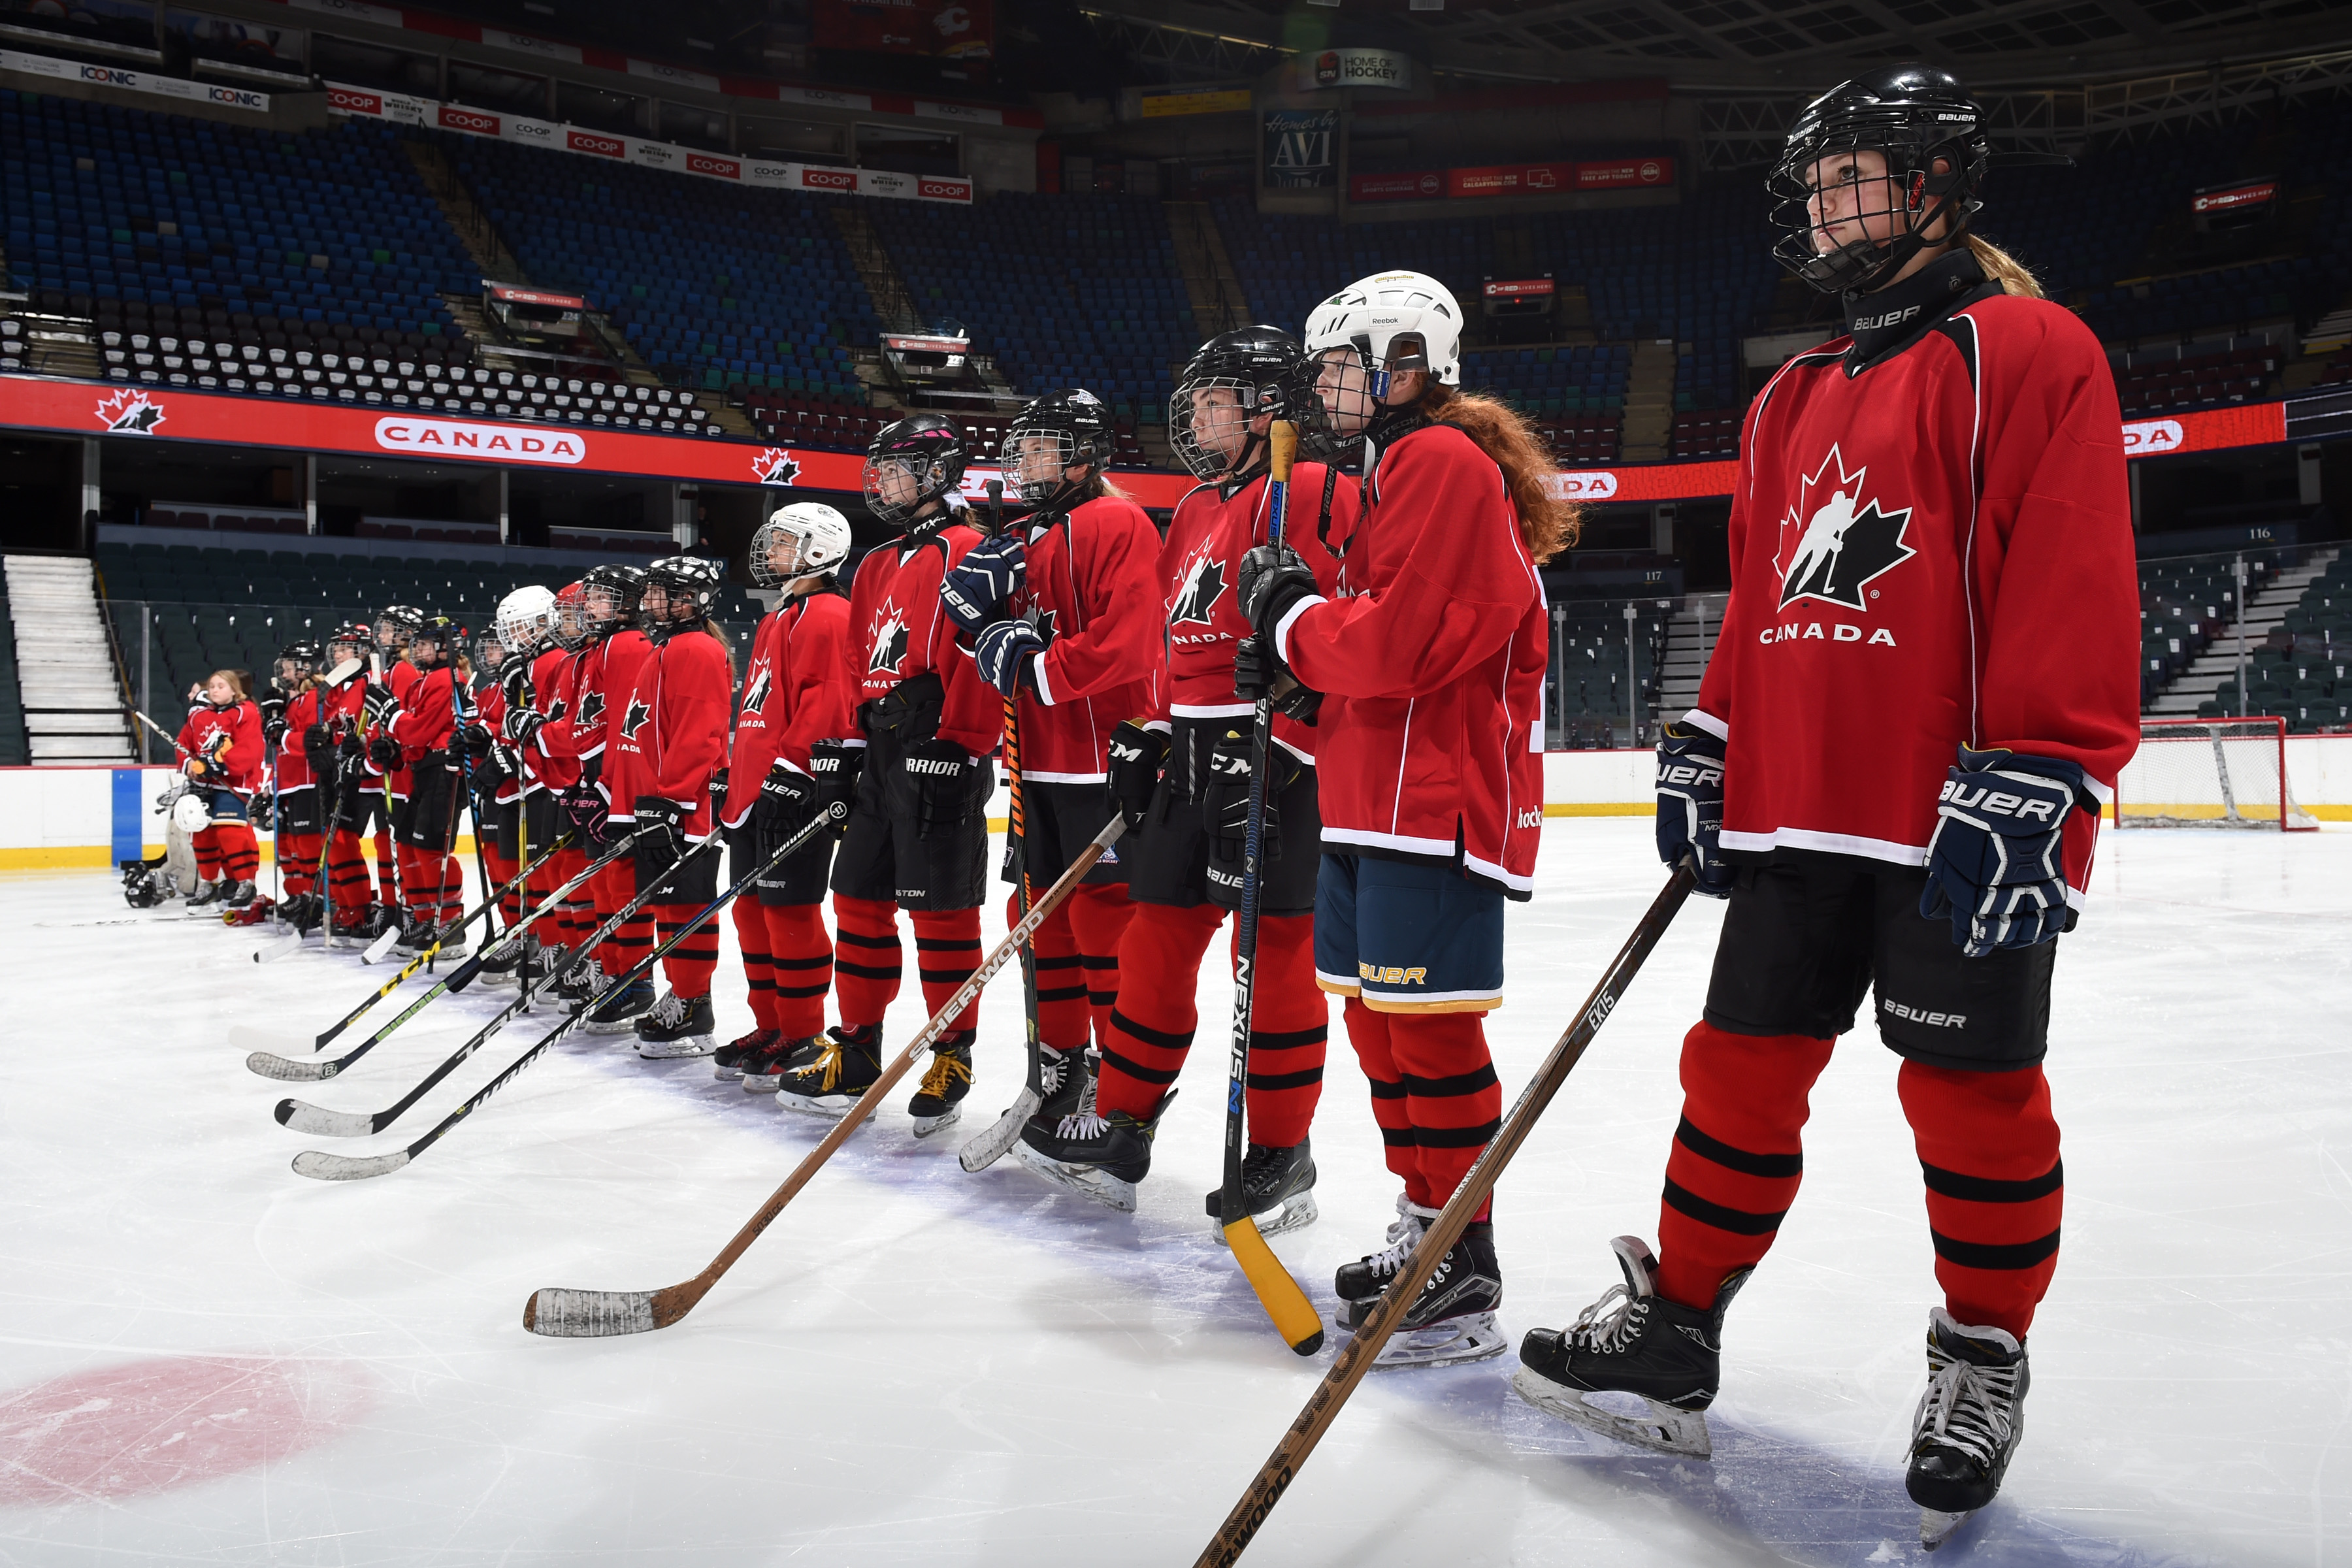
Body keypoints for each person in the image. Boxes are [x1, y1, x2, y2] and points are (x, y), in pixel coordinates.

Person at [1506, 67, 2138, 1548]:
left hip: (1959, 806)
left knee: (1972, 1098)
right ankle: (1674, 1330)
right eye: (1820, 179)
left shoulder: (2027, 346)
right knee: (1731, 1072)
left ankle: (1981, 1352)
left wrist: (2047, 763)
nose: (1831, 202)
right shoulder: (1793, 390)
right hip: (1801, 809)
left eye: (1861, 172)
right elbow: (1762, 590)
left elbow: (2067, 560)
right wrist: (1711, 733)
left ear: (1936, 185)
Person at [1238, 270, 1569, 1365]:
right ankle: (1428, 1223)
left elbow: (1398, 644)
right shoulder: (1398, 468)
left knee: (1427, 1034)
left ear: (1405, 363)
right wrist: (1306, 676)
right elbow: (1375, 648)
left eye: (1342, 367)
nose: (1326, 391)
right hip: (1375, 794)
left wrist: (1294, 621)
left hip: (1430, 802)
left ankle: (1462, 1262)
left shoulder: (1437, 462)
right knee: (1381, 1025)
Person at [1009, 342, 1354, 1224]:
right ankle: (1122, 1122)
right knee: (1153, 945)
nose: (1194, 418)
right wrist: (1149, 731)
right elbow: (1174, 639)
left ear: (1266, 406)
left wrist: (1292, 750)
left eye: (1212, 401)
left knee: (1274, 964)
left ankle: (1283, 1151)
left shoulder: (1314, 490)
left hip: (1276, 758)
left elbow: (1338, 636)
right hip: (1192, 755)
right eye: (1193, 401)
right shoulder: (1197, 503)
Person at [930, 387, 1161, 1152]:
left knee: (1103, 930)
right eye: (1020, 449)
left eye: (1042, 448)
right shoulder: (1024, 536)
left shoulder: (1118, 522)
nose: (1025, 463)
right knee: (1040, 927)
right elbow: (1001, 647)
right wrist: (973, 628)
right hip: (1036, 765)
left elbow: (1125, 646)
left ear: (1086, 453)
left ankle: (1118, 1092)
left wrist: (1030, 664)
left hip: (1101, 761)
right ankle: (1057, 1071)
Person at [774, 412, 1002, 1127]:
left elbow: (977, 651)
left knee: (943, 916)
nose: (882, 482)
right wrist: (841, 754)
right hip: (879, 753)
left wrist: (965, 741)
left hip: (939, 748)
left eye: (897, 468)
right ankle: (860, 1048)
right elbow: (851, 670)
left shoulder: (972, 549)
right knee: (860, 904)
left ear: (937, 474)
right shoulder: (874, 563)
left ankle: (951, 1052)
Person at [714, 503, 856, 1090]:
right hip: (752, 790)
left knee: (790, 913)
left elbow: (827, 701)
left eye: (782, 542)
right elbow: (762, 707)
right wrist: (735, 772)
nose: (769, 552)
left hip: (791, 789)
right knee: (752, 914)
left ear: (818, 551)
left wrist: (792, 770)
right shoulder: (780, 617)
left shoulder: (830, 615)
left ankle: (803, 1032)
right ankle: (771, 1025)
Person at [603, 555, 736, 1057]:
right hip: (658, 804)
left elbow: (699, 736)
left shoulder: (698, 650)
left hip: (685, 808)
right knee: (668, 908)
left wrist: (672, 800)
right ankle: (680, 995)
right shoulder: (667, 649)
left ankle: (693, 1004)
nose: (653, 601)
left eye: (665, 593)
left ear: (693, 600)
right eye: (653, 592)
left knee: (687, 910)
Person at [557, 565, 655, 1029]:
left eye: (599, 598)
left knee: (621, 888)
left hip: (619, 784)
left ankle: (635, 983)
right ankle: (612, 974)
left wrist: (611, 790)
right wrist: (583, 782)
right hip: (600, 779)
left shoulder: (628, 644)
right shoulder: (602, 647)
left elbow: (627, 726)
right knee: (602, 888)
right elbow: (588, 725)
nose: (588, 607)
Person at [483, 585, 567, 988]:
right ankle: (532, 939)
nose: (514, 637)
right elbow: (511, 721)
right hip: (520, 782)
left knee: (543, 871)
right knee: (520, 870)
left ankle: (554, 943)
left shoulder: (553, 661)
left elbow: (545, 723)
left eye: (521, 627)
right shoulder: (525, 663)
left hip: (540, 782)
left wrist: (514, 758)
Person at [370, 613, 468, 955]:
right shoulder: (421, 682)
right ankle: (425, 916)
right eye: (418, 643)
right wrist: (393, 752)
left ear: (446, 648)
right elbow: (409, 738)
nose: (418, 649)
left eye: (426, 644)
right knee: (409, 845)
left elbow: (419, 730)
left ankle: (451, 924)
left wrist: (390, 713)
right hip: (421, 771)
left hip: (444, 771)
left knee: (432, 849)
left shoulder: (448, 679)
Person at [174, 668, 265, 909]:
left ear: (236, 690)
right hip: (203, 785)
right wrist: (190, 766)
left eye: (221, 686)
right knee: (201, 833)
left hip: (235, 783)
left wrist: (214, 764)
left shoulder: (245, 713)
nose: (215, 690)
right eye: (212, 686)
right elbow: (184, 744)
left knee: (230, 832)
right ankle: (209, 883)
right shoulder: (199, 716)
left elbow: (250, 748)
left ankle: (246, 882)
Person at [317, 623, 379, 945]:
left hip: (363, 773)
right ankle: (345, 905)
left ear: (363, 652)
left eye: (344, 648)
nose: (337, 653)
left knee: (343, 839)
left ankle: (361, 908)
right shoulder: (338, 687)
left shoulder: (370, 681)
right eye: (336, 648)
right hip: (340, 771)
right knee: (334, 838)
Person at [262, 640, 327, 931]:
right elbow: (275, 743)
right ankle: (300, 895)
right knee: (290, 844)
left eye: (290, 666)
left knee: (309, 843)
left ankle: (320, 898)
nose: (285, 671)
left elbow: (310, 739)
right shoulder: (291, 700)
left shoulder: (316, 697)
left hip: (308, 779)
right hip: (288, 781)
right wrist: (273, 719)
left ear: (305, 668)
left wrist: (281, 732)